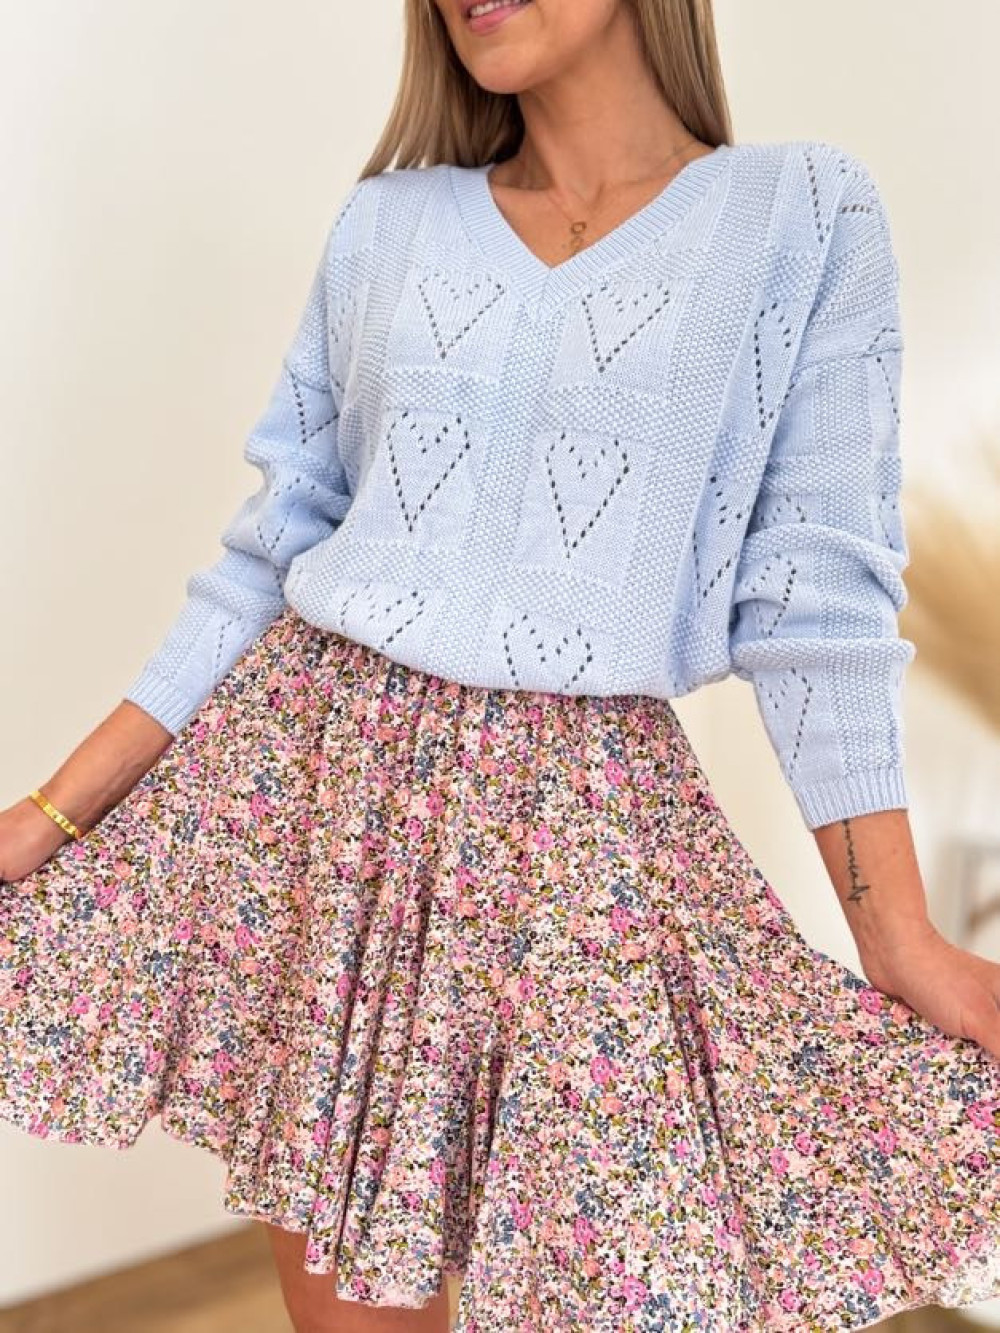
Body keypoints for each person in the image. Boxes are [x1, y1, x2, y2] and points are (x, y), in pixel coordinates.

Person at [2, 0, 999, 1329]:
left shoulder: (800, 214)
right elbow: (268, 554)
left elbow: (816, 601)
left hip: (581, 838)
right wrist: (53, 812)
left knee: (627, 1271)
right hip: (325, 801)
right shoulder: (387, 223)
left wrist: (899, 936)